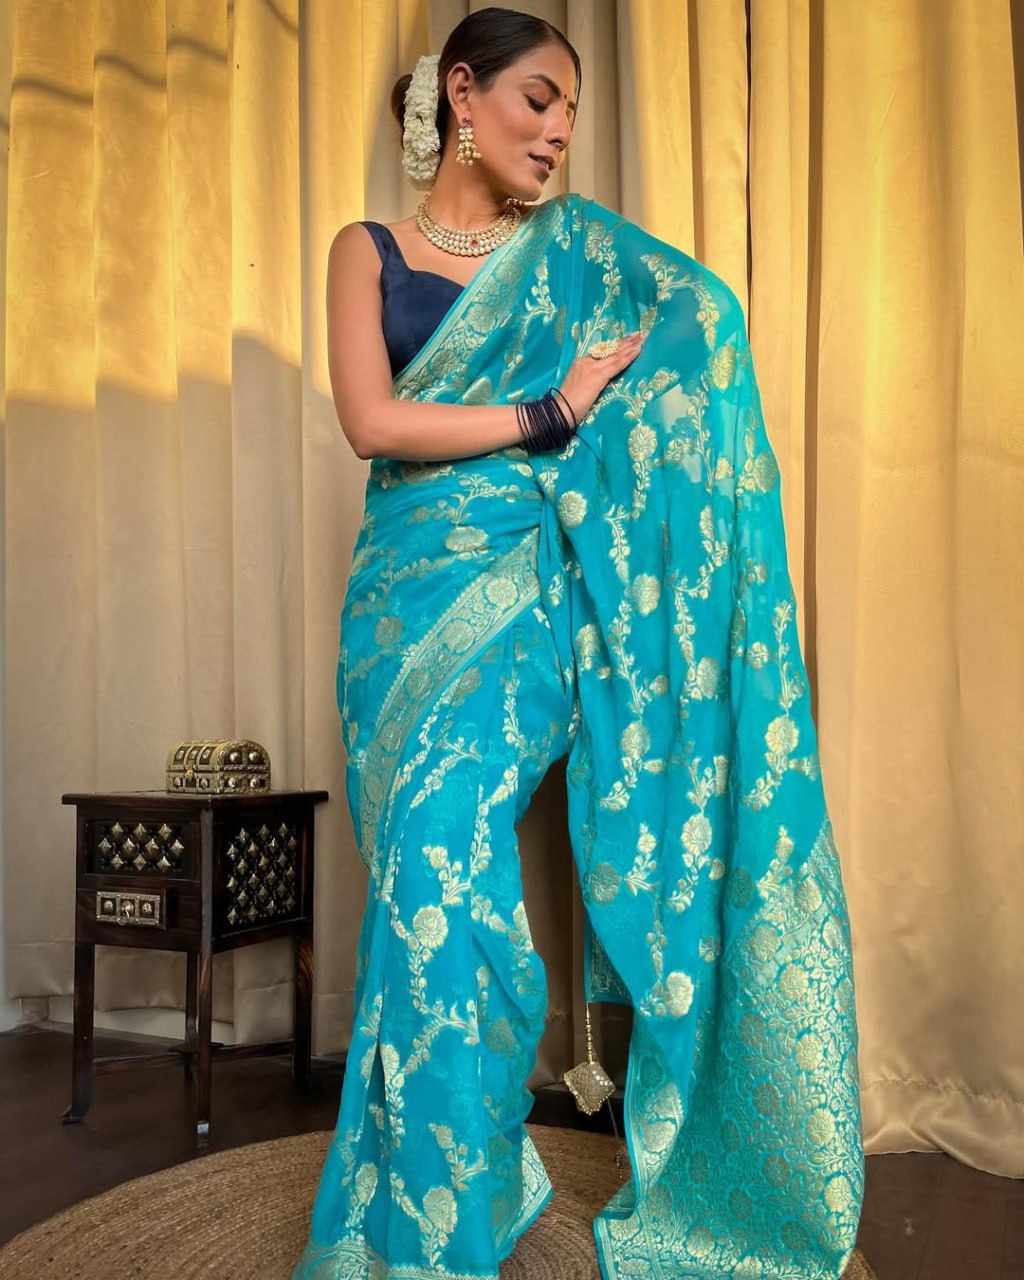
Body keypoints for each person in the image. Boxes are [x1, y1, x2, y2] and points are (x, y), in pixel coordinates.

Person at [293, 8, 865, 1278]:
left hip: (525, 609)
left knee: (447, 875)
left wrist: (615, 423)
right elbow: (370, 421)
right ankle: (461, 1181)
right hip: (399, 613)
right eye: (537, 100)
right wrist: (545, 410)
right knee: (424, 889)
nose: (556, 132)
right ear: (461, 95)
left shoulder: (575, 258)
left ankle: (438, 1220)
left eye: (570, 112)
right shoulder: (366, 250)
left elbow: (701, 320)